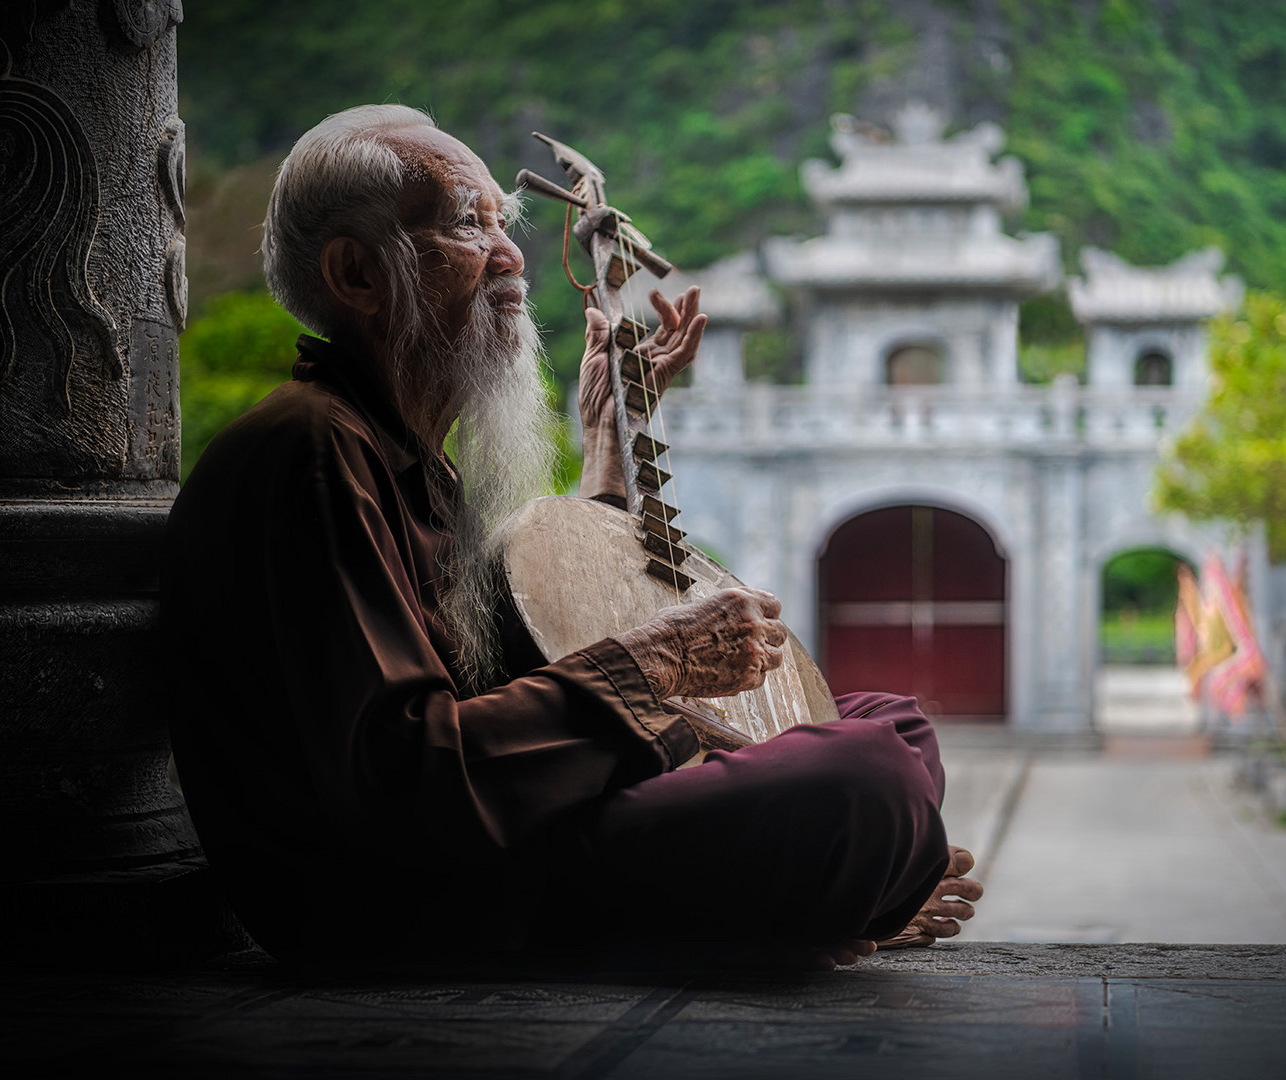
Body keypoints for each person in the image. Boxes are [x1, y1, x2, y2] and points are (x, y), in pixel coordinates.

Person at [161, 104, 982, 968]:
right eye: (468, 225)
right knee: (865, 787)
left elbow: (516, 658)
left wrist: (606, 451)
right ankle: (833, 893)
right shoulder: (311, 450)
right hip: (419, 896)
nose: (512, 257)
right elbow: (406, 783)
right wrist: (654, 666)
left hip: (503, 837)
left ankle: (832, 892)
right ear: (358, 274)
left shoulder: (406, 458)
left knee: (892, 726)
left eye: (503, 223)